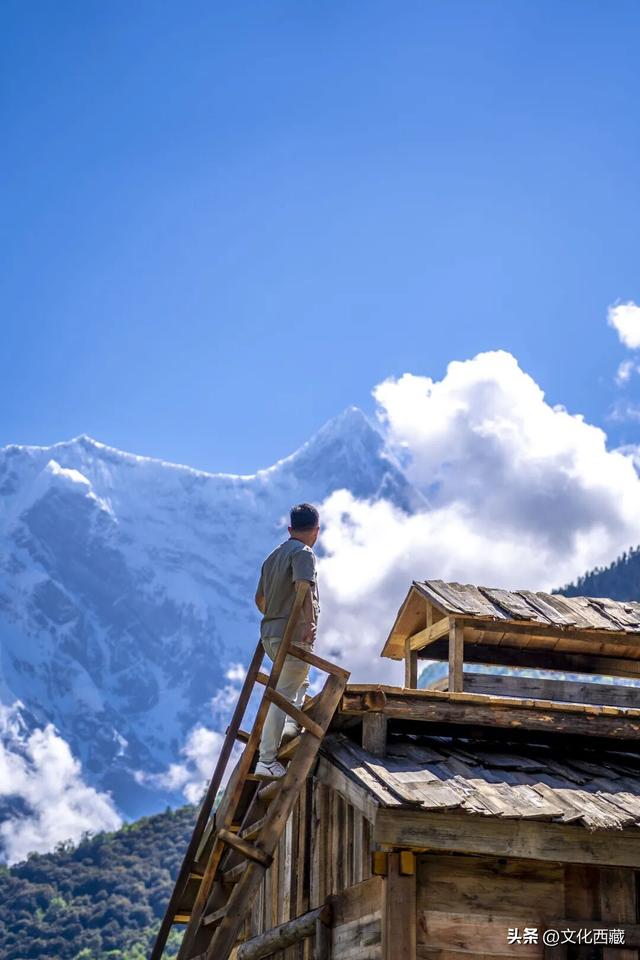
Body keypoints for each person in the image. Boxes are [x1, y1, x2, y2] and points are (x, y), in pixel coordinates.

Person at [254, 503, 320, 778]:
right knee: (283, 695)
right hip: (293, 634)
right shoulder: (304, 553)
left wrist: (274, 614)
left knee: (298, 682)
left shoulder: (272, 558)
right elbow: (303, 588)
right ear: (316, 531)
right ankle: (267, 758)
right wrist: (309, 623)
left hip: (269, 633)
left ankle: (291, 729)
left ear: (290, 528)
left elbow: (260, 599)